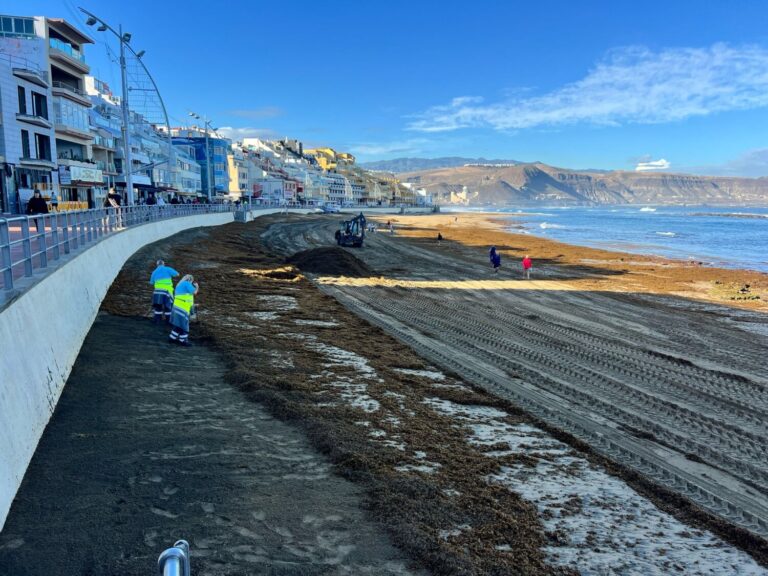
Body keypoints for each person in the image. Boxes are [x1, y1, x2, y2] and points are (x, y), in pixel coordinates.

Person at [169, 274, 199, 347]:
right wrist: (197, 286)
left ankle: (172, 338)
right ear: (190, 280)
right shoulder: (187, 283)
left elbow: (185, 295)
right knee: (184, 325)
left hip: (177, 306)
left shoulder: (179, 285)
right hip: (183, 307)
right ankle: (183, 340)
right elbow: (194, 292)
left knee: (178, 325)